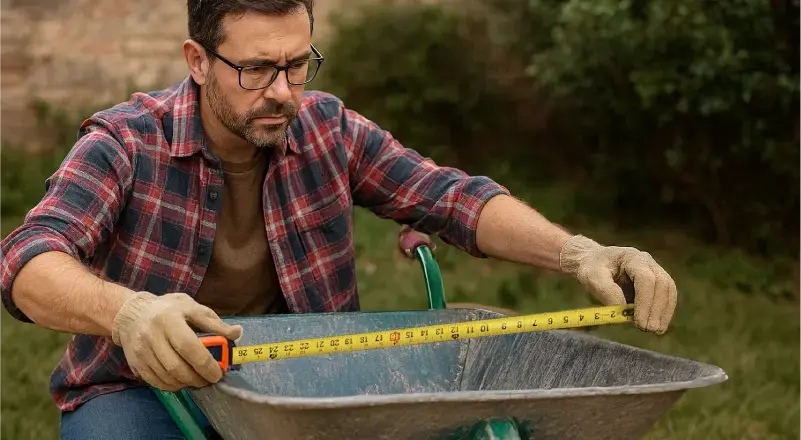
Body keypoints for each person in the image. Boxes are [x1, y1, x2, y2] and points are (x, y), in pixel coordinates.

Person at [0, 0, 677, 438]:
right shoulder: (126, 141)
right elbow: (28, 256)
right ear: (197, 61)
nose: (284, 92)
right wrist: (127, 314)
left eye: (298, 64)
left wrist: (577, 252)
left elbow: (450, 198)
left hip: (304, 387)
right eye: (258, 68)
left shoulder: (328, 128)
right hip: (143, 386)